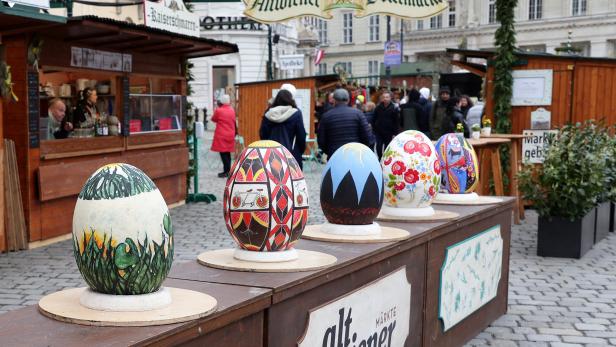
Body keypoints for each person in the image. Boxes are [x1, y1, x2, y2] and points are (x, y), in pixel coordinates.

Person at [317, 89, 373, 158]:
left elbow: (321, 140)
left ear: (334, 100)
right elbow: (368, 137)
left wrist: (330, 151)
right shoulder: (358, 114)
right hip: (354, 155)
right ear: (348, 100)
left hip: (334, 155)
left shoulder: (326, 116)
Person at [259, 89, 306, 169]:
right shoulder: (296, 114)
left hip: (271, 155)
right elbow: (301, 136)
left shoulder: (268, 114)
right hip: (290, 155)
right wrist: (299, 152)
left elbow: (263, 135)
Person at [211, 95, 237, 178]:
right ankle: (228, 170)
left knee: (223, 153)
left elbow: (213, 119)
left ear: (221, 102)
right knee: (227, 153)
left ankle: (226, 171)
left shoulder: (219, 110)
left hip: (222, 134)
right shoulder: (232, 110)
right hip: (230, 133)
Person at [373, 91, 400, 160]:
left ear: (390, 98)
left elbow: (396, 122)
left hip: (389, 132)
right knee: (378, 147)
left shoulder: (394, 108)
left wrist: (395, 133)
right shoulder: (378, 107)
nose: (385, 99)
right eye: (384, 97)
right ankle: (380, 158)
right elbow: (374, 118)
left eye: (387, 97)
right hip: (379, 132)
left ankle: (385, 160)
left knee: (387, 148)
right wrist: (374, 128)